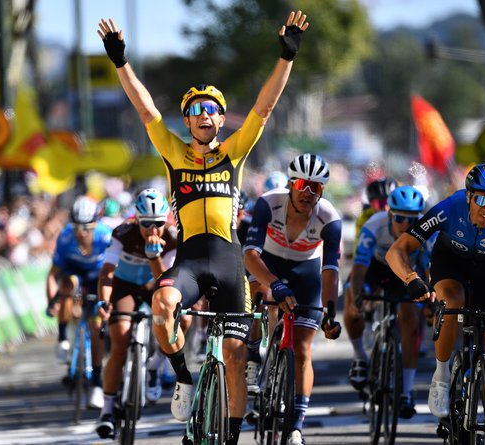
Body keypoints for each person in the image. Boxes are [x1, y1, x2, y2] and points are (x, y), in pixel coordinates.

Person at [98, 10, 310, 444]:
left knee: (234, 356)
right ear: (188, 120)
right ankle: (181, 375)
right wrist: (121, 62)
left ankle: (232, 435)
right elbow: (145, 109)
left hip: (229, 259)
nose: (205, 116)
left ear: (220, 119)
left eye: (213, 110)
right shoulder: (175, 153)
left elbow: (265, 107)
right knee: (161, 309)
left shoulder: (232, 153)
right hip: (192, 258)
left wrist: (286, 56)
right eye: (196, 111)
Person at [386, 163, 485, 445]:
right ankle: (441, 375)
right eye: (483, 199)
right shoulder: (448, 209)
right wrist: (411, 278)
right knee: (454, 300)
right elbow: (397, 250)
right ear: (469, 196)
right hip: (450, 264)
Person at [243, 153, 343, 445]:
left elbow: (330, 269)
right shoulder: (268, 203)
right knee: (260, 295)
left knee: (302, 348)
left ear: (322, 191)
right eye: (302, 184)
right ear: (290, 184)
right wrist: (274, 284)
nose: (308, 193)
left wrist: (330, 311)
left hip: (306, 271)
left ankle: (296, 425)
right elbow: (250, 255)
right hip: (268, 264)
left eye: (315, 187)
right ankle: (253, 350)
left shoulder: (329, 217)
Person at [95, 188, 178, 438]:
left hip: (156, 285)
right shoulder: (123, 232)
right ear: (137, 220)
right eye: (146, 224)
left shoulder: (173, 238)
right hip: (125, 287)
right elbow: (107, 271)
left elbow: (166, 280)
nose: (153, 230)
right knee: (120, 340)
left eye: (158, 224)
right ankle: (107, 409)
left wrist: (154, 256)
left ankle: (154, 366)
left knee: (174, 323)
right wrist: (104, 301)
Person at [344, 185, 428, 419]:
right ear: (390, 213)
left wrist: (431, 298)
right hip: (376, 269)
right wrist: (357, 297)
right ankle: (360, 356)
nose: (405, 224)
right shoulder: (374, 226)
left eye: (412, 219)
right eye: (400, 217)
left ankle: (407, 391)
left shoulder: (425, 228)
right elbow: (359, 268)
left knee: (411, 320)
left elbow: (430, 268)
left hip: (407, 273)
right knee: (352, 300)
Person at [45, 195, 112, 409]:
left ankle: (97, 385)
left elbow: (113, 274)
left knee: (96, 327)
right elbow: (52, 275)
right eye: (77, 228)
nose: (82, 233)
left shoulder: (105, 236)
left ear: (96, 225)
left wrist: (108, 302)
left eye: (88, 228)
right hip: (73, 273)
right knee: (67, 285)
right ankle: (63, 337)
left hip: (97, 278)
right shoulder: (65, 238)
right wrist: (52, 302)